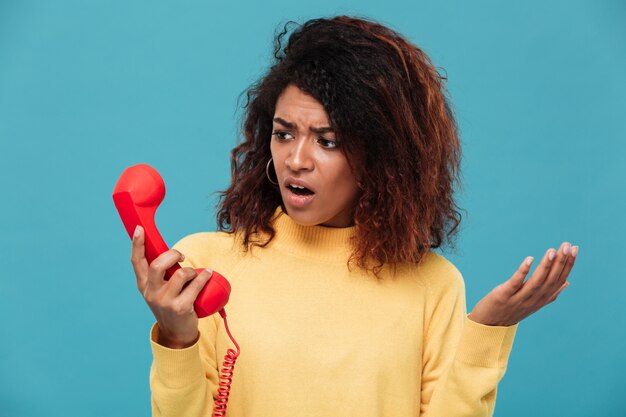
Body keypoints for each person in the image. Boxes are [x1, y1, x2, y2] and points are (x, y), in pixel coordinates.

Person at [129, 15, 578, 417]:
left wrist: (487, 330)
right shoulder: (204, 270)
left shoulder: (434, 286)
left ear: (381, 157)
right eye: (284, 134)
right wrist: (177, 337)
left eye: (327, 141)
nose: (296, 160)